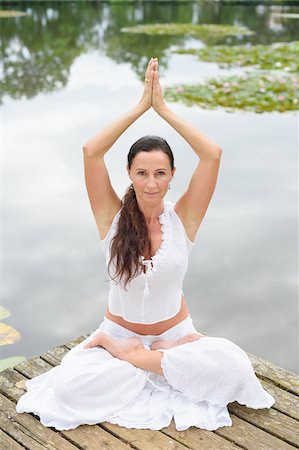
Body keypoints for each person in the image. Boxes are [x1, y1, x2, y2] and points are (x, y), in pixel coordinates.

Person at [16, 57, 275, 431]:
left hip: (176, 339)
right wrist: (141, 107)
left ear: (172, 176)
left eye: (159, 173)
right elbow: (91, 151)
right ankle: (130, 355)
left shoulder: (182, 219)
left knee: (235, 369)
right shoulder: (111, 218)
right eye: (142, 173)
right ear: (129, 174)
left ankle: (141, 362)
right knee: (70, 389)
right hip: (119, 335)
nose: (151, 183)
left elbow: (212, 153)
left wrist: (163, 109)